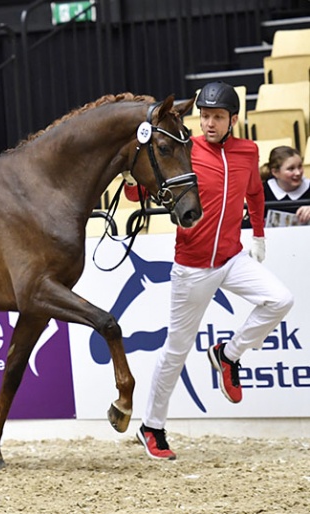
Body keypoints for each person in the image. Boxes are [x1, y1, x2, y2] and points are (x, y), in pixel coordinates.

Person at [125, 82, 294, 460]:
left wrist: (260, 235)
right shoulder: (187, 150)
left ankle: (228, 355)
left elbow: (255, 193)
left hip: (233, 259)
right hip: (192, 267)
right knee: (176, 351)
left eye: (217, 117)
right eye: (204, 116)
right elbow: (142, 191)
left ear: (234, 119)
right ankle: (152, 427)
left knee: (281, 299)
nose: (209, 123)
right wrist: (131, 181)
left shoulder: (248, 151)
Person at [261, 146, 310, 225]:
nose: (298, 173)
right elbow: (247, 226)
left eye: (300, 166)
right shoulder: (262, 191)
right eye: (291, 169)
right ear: (275, 172)